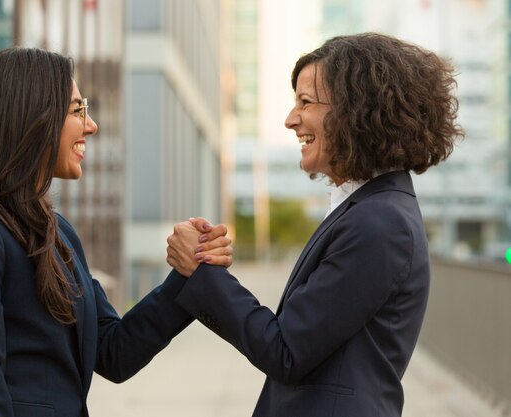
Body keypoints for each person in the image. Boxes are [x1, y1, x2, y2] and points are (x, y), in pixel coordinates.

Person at [0, 47, 232, 417]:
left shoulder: (58, 234)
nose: (91, 125)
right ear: (31, 119)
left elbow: (115, 351)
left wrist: (188, 271)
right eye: (77, 110)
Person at [166, 33, 463, 417]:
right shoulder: (369, 209)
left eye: (305, 102)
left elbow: (286, 350)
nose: (291, 120)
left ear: (357, 110)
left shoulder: (380, 223)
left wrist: (202, 273)